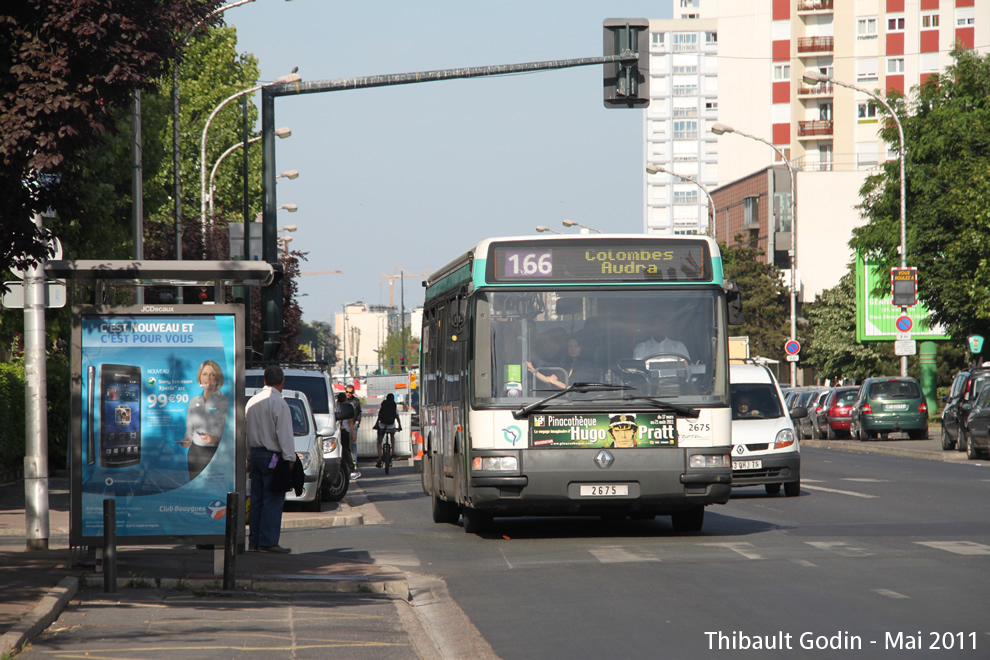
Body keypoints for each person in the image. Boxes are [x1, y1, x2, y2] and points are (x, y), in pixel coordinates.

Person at [246, 365, 297, 554]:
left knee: (257, 500)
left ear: (265, 381)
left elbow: (246, 432)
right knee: (273, 500)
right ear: (282, 382)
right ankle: (268, 543)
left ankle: (254, 542)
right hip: (273, 456)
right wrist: (289, 458)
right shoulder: (279, 403)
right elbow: (284, 433)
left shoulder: (252, 402)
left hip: (256, 454)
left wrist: (249, 457)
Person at [179, 360, 228, 482]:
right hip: (195, 453)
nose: (208, 378)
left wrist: (215, 438)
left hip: (215, 452)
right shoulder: (194, 400)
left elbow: (230, 430)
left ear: (218, 378)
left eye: (212, 374)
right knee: (195, 487)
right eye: (205, 374)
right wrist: (188, 439)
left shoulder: (225, 401)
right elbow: (189, 428)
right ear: (200, 377)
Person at [526, 336, 597, 389]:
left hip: (579, 403)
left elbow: (573, 389)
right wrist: (533, 370)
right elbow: (549, 381)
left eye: (576, 346)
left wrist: (556, 382)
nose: (573, 349)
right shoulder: (566, 364)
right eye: (570, 346)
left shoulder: (587, 366)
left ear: (581, 348)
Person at [374, 392, 402, 468]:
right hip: (391, 426)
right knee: (392, 436)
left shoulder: (383, 405)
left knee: (379, 441)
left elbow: (380, 416)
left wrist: (376, 424)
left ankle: (379, 457)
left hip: (382, 426)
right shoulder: (394, 406)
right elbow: (397, 417)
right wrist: (400, 426)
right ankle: (393, 452)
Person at [336, 392, 359, 479]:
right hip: (345, 431)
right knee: (347, 450)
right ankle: (351, 469)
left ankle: (342, 468)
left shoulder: (336, 407)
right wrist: (353, 433)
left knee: (340, 450)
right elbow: (350, 421)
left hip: (337, 431)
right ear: (345, 399)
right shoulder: (347, 407)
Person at [345, 383, 362, 472]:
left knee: (353, 444)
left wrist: (357, 421)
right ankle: (347, 463)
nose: (348, 394)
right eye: (347, 392)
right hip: (344, 425)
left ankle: (354, 462)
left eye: (350, 392)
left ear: (353, 393)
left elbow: (359, 412)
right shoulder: (343, 401)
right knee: (345, 444)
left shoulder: (356, 401)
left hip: (353, 424)